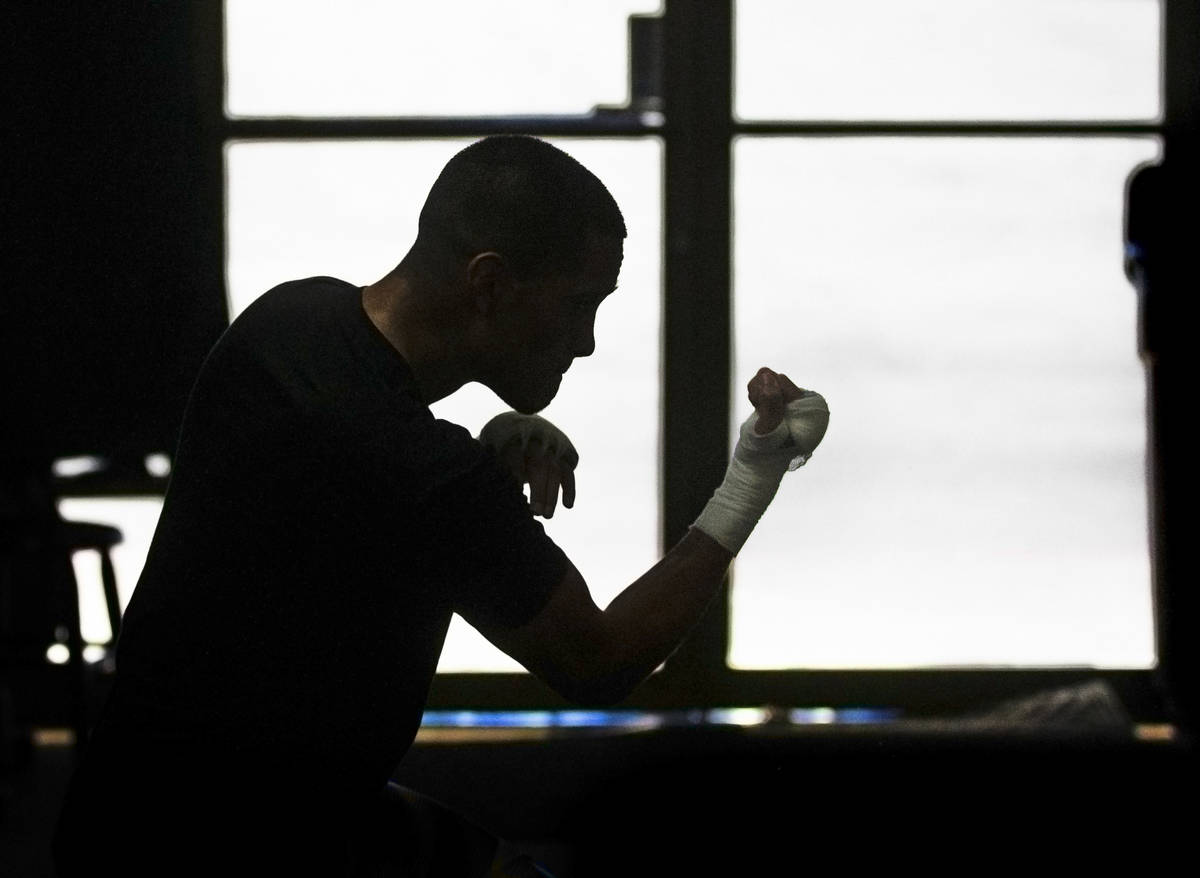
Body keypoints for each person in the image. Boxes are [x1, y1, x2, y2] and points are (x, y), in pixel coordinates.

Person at [53, 135, 828, 876]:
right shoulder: (428, 476)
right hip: (240, 852)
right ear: (487, 284)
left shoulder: (289, 321)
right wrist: (751, 477)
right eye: (578, 304)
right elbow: (600, 661)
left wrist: (492, 436)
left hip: (141, 812)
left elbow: (348, 492)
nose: (587, 341)